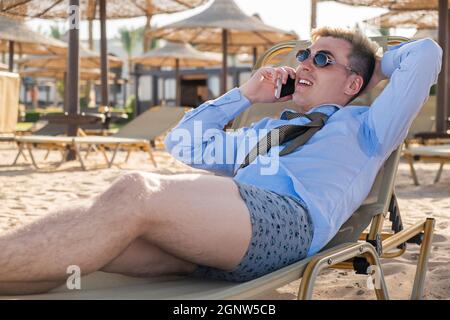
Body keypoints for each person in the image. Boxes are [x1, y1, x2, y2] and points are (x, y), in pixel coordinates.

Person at [0, 27, 442, 295]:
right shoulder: (261, 132)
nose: (305, 62)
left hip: (289, 221)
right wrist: (246, 96)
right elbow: (183, 145)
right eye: (304, 55)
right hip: (224, 235)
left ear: (352, 83)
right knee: (93, 248)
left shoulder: (367, 127)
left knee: (135, 190)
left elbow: (426, 55)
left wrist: (371, 65)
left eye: (323, 59)